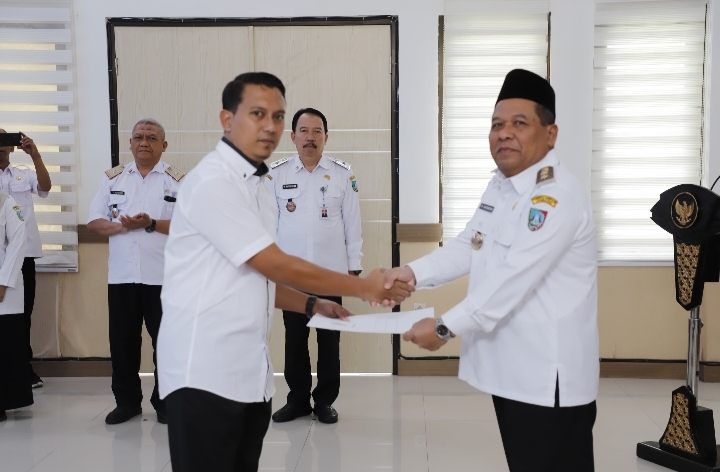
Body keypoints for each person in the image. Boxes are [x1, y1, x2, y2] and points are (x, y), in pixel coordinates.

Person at [157, 72, 413, 472]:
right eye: (258, 114)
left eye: (277, 116)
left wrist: (311, 303)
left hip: (248, 375)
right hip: (204, 374)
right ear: (227, 119)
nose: (270, 126)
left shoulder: (260, 184)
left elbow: (256, 278)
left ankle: (320, 398)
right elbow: (273, 264)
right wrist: (363, 287)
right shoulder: (214, 182)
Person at [383, 69, 599, 471]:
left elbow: (513, 278)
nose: (504, 134)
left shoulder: (556, 196)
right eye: (497, 125)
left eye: (519, 124)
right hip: (512, 370)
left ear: (550, 134)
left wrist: (444, 328)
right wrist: (412, 272)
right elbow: (471, 244)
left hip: (546, 377)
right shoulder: (501, 186)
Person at [267, 107, 362, 425]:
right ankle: (297, 400)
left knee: (329, 341)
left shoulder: (342, 173)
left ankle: (324, 402)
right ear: (292, 137)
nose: (310, 137)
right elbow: (269, 225)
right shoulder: (276, 174)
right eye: (304, 131)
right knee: (294, 340)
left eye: (317, 131)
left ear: (326, 137)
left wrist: (354, 268)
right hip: (290, 275)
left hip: (329, 274)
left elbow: (352, 224)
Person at [87, 118, 183, 425]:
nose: (144, 142)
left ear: (163, 145)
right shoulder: (113, 179)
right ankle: (127, 403)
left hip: (163, 278)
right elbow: (94, 221)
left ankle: (166, 403)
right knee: (123, 343)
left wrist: (150, 224)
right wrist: (121, 226)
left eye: (151, 137)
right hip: (123, 277)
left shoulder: (177, 181)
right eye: (138, 137)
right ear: (130, 143)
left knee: (166, 345)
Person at [0, 129, 51, 389]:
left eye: (4, 141)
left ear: (12, 146)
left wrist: (35, 155)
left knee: (22, 314)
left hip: (24, 255)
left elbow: (45, 187)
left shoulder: (24, 173)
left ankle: (23, 370)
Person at [0, 192, 28, 421]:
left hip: (4, 289)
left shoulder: (6, 202)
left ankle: (3, 402)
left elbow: (18, 242)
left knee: (5, 346)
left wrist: (3, 282)